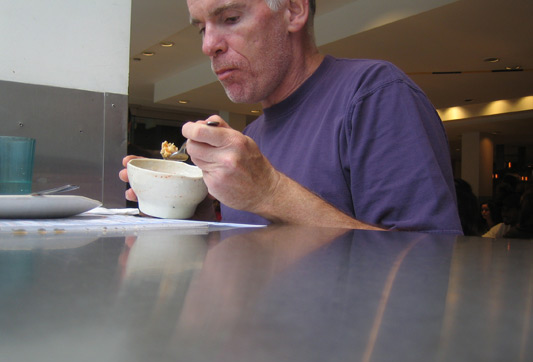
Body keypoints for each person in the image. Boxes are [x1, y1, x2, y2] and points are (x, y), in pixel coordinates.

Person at [120, 0, 462, 234]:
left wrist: (270, 192)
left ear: (293, 10)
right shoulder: (253, 136)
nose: (208, 45)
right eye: (201, 28)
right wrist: (195, 214)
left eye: (231, 18)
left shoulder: (375, 95)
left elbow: (425, 265)